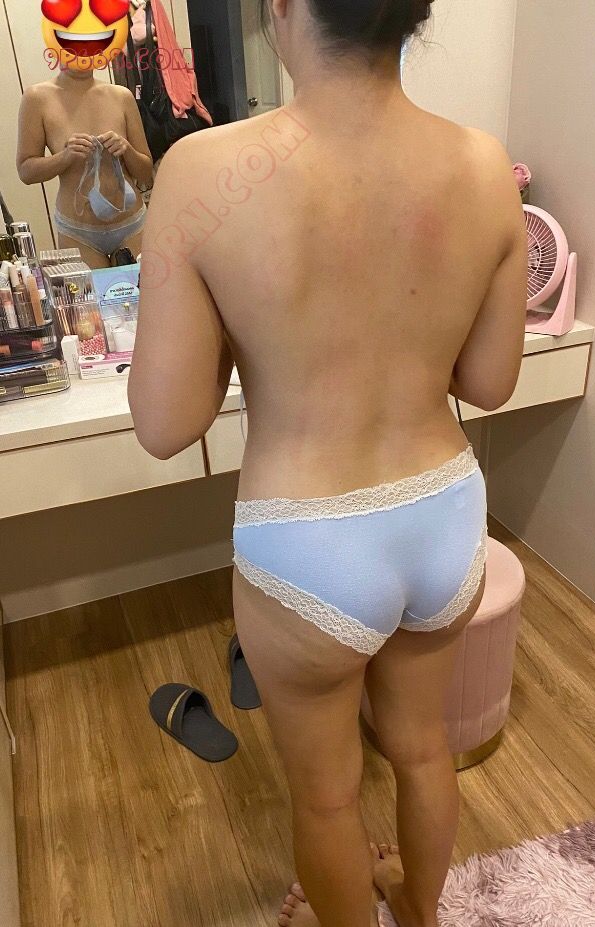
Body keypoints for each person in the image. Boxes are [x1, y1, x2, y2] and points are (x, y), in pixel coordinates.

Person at [129, 1, 528, 924]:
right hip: (442, 511)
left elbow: (166, 423)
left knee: (325, 797)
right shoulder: (482, 162)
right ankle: (417, 910)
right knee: (421, 749)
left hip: (308, 536)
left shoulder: (203, 168)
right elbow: (490, 381)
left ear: (281, 8)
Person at [17, 64, 153, 268]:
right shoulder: (36, 98)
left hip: (131, 224)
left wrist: (126, 149)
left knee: (142, 289)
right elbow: (26, 171)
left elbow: (145, 173)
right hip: (77, 233)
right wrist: (65, 157)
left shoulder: (121, 96)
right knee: (88, 291)